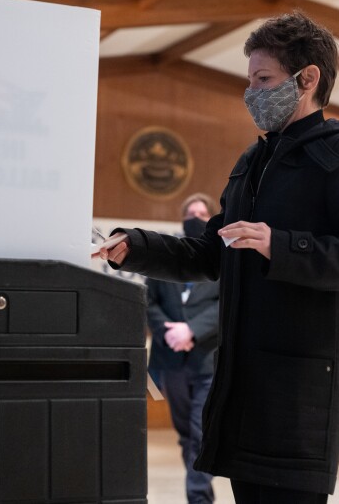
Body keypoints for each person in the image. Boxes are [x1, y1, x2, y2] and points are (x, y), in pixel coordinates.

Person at [97, 11, 339, 504]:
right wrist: (135, 246)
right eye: (249, 81)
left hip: (301, 395)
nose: (252, 93)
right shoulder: (251, 163)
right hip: (243, 387)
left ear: (308, 79)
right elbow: (209, 252)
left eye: (264, 80)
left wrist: (281, 243)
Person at [147, 192, 220, 504]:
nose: (196, 217)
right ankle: (201, 491)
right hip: (172, 361)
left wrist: (192, 329)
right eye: (191, 212)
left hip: (208, 361)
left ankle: (198, 497)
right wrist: (170, 332)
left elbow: (227, 303)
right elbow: (149, 302)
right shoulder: (168, 255)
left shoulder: (224, 258)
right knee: (186, 436)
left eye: (203, 213)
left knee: (201, 434)